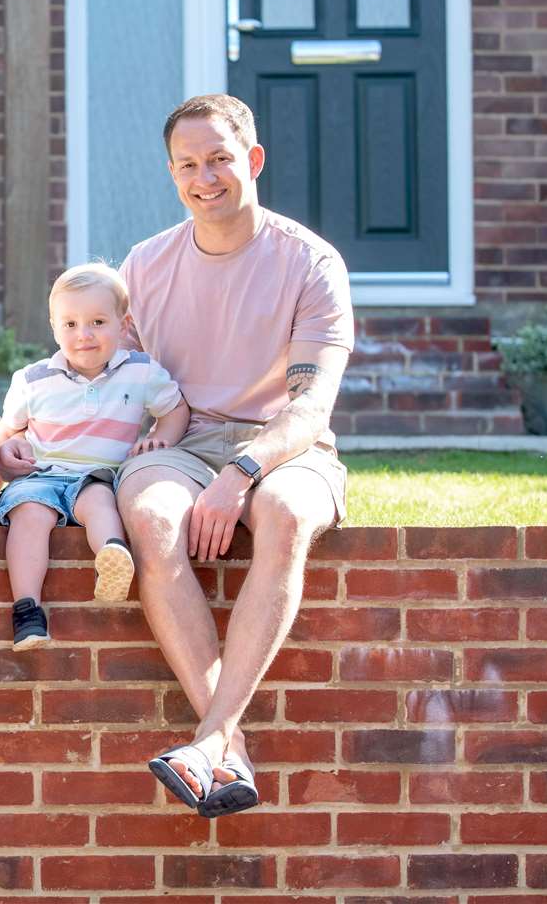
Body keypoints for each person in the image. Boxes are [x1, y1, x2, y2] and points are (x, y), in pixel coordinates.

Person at [115, 94, 353, 818]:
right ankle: (227, 747)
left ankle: (213, 737)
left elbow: (312, 406)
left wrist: (244, 471)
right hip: (179, 443)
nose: (205, 176)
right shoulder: (145, 264)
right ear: (172, 174)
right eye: (187, 164)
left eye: (219, 158)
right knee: (154, 522)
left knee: (282, 515)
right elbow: (118, 390)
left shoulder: (309, 261)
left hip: (285, 445)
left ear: (252, 160)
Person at [0, 263, 189, 649]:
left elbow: (175, 409)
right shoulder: (33, 379)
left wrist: (159, 441)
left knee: (99, 501)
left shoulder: (140, 371)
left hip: (97, 475)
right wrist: (4, 458)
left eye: (97, 322)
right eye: (70, 324)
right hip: (40, 476)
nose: (83, 335)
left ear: (123, 323)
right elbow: (8, 431)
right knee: (30, 516)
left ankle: (113, 555)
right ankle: (27, 610)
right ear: (54, 328)